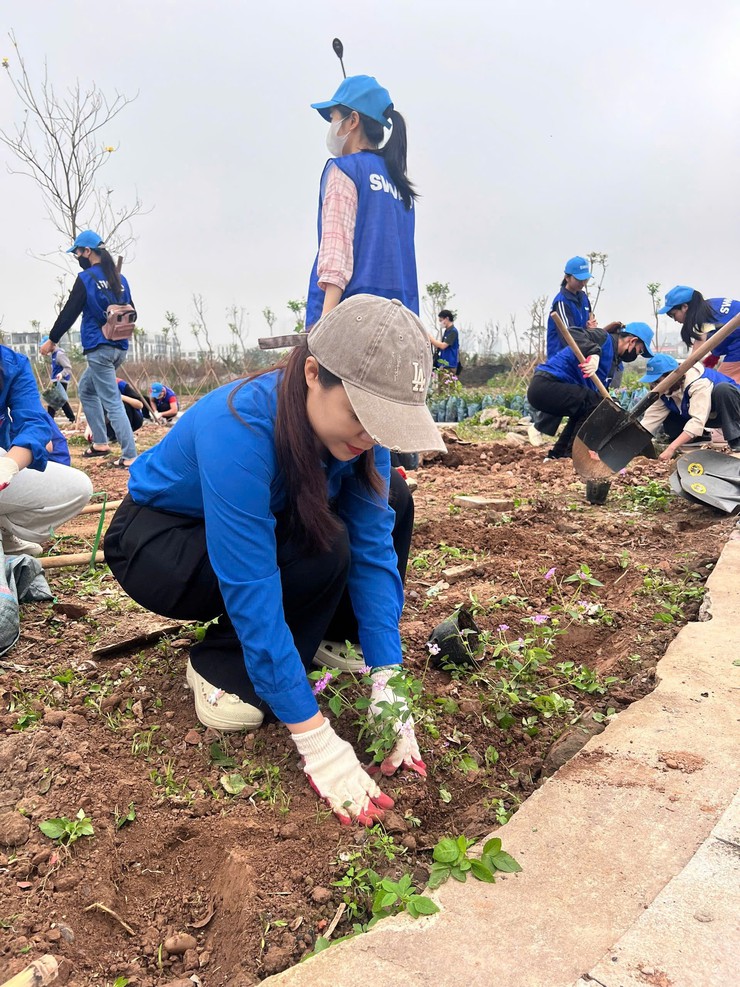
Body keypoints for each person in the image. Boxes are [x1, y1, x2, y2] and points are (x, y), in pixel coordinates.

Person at [104, 296, 445, 826]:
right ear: (313, 373)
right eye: (359, 416)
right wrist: (317, 742)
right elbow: (250, 580)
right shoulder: (237, 427)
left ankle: (328, 635)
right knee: (321, 544)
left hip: (260, 522)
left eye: (382, 423)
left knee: (393, 499)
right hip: (163, 541)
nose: (369, 435)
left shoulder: (364, 435)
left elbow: (376, 550)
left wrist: (388, 677)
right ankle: (220, 665)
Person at [305, 74, 418, 327]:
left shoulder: (345, 171)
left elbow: (337, 256)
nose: (332, 125)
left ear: (353, 120)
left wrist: (322, 328)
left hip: (350, 324)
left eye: (333, 117)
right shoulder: (401, 187)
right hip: (400, 328)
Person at [40, 231, 137, 468]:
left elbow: (70, 312)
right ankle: (100, 443)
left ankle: (129, 455)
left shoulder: (86, 278)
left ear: (88, 252)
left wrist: (52, 340)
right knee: (86, 389)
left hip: (99, 347)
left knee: (112, 401)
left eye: (77, 252)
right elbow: (132, 309)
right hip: (119, 347)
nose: (76, 257)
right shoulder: (119, 279)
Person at [0, 345, 92, 557]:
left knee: (78, 488)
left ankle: (4, 529)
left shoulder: (12, 364)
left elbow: (35, 424)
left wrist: (9, 465)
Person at [527, 321, 654, 461]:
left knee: (588, 408)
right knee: (594, 404)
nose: (637, 355)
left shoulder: (613, 362)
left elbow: (599, 392)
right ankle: (573, 456)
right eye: (639, 350)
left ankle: (558, 455)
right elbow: (571, 332)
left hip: (552, 388)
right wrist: (593, 353)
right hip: (547, 385)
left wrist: (613, 404)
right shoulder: (603, 338)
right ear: (632, 341)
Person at [528, 255, 593, 446]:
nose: (582, 282)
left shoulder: (583, 298)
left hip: (579, 350)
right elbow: (568, 332)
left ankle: (540, 427)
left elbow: (586, 323)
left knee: (571, 394)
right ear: (567, 277)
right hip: (563, 354)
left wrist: (591, 327)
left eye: (585, 279)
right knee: (561, 393)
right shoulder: (562, 302)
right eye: (578, 279)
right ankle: (537, 426)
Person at [639, 353, 740, 458]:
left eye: (656, 381)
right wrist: (631, 443)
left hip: (731, 411)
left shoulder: (698, 382)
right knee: (669, 410)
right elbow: (649, 421)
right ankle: (699, 438)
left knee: (723, 390)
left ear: (671, 377)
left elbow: (697, 421)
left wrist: (671, 448)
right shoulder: (663, 391)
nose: (654, 386)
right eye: (652, 382)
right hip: (705, 415)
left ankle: (736, 439)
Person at [659, 286, 740, 382]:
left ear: (685, 307)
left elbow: (696, 356)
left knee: (723, 384)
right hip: (736, 344)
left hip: (737, 347)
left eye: (673, 315)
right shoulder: (711, 306)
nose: (675, 319)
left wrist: (681, 374)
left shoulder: (703, 320)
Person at [41, 337, 75, 423]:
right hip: (56, 381)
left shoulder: (59, 354)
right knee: (60, 401)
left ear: (51, 344)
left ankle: (50, 420)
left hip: (61, 381)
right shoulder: (53, 354)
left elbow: (68, 368)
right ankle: (71, 418)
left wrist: (61, 374)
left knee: (54, 400)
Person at [105, 378, 144, 443]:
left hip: (133, 419)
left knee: (123, 404)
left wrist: (119, 397)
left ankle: (127, 434)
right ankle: (111, 436)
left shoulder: (120, 384)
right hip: (110, 420)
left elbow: (140, 405)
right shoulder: (94, 387)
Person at [429, 309, 461, 375]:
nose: (440, 323)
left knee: (447, 384)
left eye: (441, 320)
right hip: (443, 364)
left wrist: (431, 338)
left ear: (447, 318)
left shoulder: (453, 331)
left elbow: (443, 346)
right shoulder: (447, 331)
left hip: (449, 365)